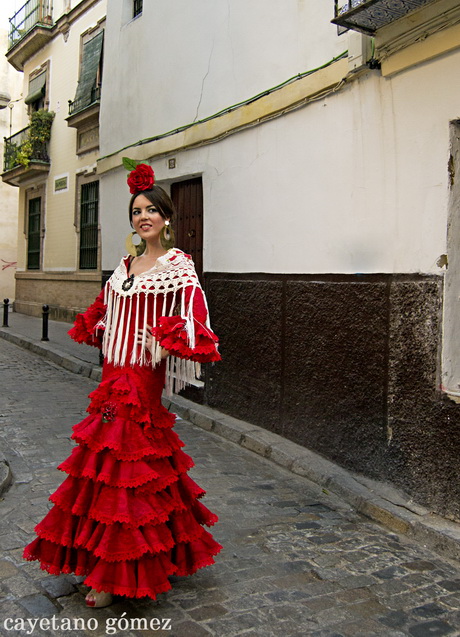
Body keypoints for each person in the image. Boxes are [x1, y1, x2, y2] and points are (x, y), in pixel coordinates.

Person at [23, 163, 222, 608]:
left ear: (167, 218)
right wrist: (98, 323)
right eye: (136, 211)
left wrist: (166, 337)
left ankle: (114, 576)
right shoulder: (126, 265)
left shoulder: (178, 264)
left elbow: (196, 318)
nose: (143, 217)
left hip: (142, 376)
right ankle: (138, 555)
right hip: (113, 374)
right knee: (109, 463)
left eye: (152, 210)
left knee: (128, 465)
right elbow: (103, 309)